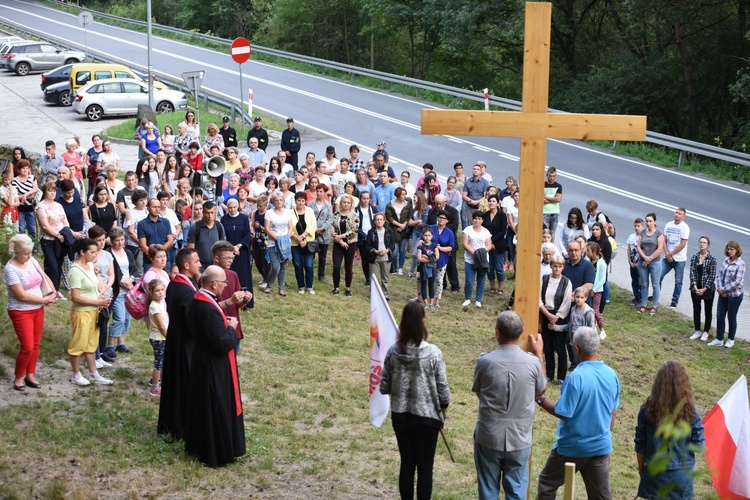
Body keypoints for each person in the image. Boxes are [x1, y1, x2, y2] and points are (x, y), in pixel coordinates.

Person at [536, 327, 620, 499]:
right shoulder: (612, 375)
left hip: (572, 448)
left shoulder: (576, 377)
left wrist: (539, 400)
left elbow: (564, 413)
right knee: (601, 496)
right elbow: (613, 413)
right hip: (600, 446)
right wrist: (603, 434)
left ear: (576, 349)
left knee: (547, 484)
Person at [379, 302, 451, 500]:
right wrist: (443, 409)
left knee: (407, 464)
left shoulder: (393, 353)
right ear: (423, 322)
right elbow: (443, 390)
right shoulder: (434, 354)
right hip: (428, 419)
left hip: (401, 417)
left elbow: (384, 386)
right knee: (425, 466)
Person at [473, 311, 546, 500]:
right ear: (521, 333)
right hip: (520, 437)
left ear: (497, 332)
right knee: (516, 491)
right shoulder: (532, 363)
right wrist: (539, 353)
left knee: (488, 490)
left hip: (489, 434)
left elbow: (480, 392)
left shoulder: (484, 361)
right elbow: (541, 389)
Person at [184, 266, 245, 467]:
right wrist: (231, 328)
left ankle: (201, 448)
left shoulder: (201, 300)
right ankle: (217, 452)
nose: (225, 286)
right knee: (215, 410)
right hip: (212, 368)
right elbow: (221, 344)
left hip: (203, 363)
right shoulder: (208, 308)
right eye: (223, 283)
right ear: (213, 284)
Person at [635, 361, 705, 500]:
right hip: (682, 477)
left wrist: (642, 470)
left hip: (655, 473)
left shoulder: (647, 410)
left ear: (658, 384)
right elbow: (699, 447)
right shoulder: (692, 412)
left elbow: (640, 445)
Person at [3, 234, 57, 391]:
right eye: (25, 254)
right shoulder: (10, 269)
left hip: (37, 309)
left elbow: (43, 276)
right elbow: (22, 296)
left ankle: (30, 374)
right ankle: (19, 377)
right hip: (20, 311)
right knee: (27, 346)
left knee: (35, 344)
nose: (29, 256)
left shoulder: (31, 260)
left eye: (30, 252)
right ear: (16, 252)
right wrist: (44, 301)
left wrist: (53, 292)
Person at [158, 248, 201, 440]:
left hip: (177, 338)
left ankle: (172, 423)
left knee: (175, 383)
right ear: (186, 265)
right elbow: (192, 320)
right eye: (197, 261)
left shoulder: (177, 284)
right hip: (185, 343)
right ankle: (181, 425)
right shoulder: (184, 290)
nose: (200, 264)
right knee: (183, 384)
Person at [68, 238, 114, 386]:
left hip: (94, 311)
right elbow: (75, 297)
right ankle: (76, 374)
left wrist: (101, 296)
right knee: (78, 344)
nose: (95, 255)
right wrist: (98, 302)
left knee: (91, 344)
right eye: (92, 252)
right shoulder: (75, 271)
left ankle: (94, 373)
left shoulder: (90, 265)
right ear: (82, 252)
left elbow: (97, 287)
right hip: (82, 313)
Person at [212, 241, 253, 349]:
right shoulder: (208, 278)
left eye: (232, 258)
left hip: (234, 328)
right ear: (216, 258)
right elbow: (209, 307)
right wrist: (231, 300)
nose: (231, 261)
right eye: (227, 258)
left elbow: (237, 305)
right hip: (217, 328)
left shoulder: (233, 275)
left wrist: (244, 301)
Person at [539, 255, 572, 384]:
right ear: (551, 266)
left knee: (560, 348)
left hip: (560, 316)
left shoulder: (566, 282)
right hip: (546, 313)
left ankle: (561, 376)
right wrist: (548, 315)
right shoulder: (545, 279)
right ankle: (549, 373)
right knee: (547, 347)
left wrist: (557, 316)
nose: (557, 269)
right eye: (555, 266)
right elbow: (539, 298)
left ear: (563, 267)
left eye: (559, 266)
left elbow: (567, 301)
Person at [105, 227, 137, 359]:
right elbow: (107, 273)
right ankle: (110, 345)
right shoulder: (108, 254)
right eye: (117, 240)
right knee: (119, 318)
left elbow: (134, 270)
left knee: (127, 319)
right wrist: (121, 282)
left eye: (122, 240)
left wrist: (130, 279)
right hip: (116, 291)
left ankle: (121, 343)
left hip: (128, 290)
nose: (120, 243)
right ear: (112, 241)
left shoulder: (128, 252)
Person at [35, 182, 70, 297]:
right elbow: (45, 225)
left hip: (61, 240)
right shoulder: (41, 206)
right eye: (50, 191)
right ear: (45, 192)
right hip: (48, 239)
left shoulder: (59, 205)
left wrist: (66, 233)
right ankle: (49, 290)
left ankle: (54, 289)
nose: (52, 193)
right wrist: (58, 235)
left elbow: (65, 221)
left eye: (54, 191)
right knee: (52, 265)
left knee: (58, 265)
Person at [708, 241, 745, 348]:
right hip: (722, 293)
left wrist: (724, 290)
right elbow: (719, 275)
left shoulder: (740, 264)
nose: (729, 251)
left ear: (737, 250)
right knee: (720, 316)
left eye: (732, 249)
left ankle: (731, 339)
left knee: (731, 317)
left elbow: (737, 281)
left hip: (734, 295)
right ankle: (719, 338)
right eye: (728, 249)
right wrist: (720, 288)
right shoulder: (725, 260)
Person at [221, 198, 253, 302]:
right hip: (228, 251)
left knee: (243, 275)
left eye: (234, 207)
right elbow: (223, 235)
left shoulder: (243, 218)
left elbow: (247, 234)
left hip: (242, 251)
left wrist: (238, 246)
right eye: (230, 208)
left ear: (238, 206)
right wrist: (231, 248)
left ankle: (245, 300)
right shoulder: (224, 219)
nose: (232, 210)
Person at [659, 208, 690, 307]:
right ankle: (656, 295)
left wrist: (671, 254)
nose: (677, 214)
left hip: (679, 259)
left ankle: (674, 301)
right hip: (667, 258)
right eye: (676, 212)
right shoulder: (668, 225)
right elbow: (664, 239)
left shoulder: (685, 227)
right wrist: (667, 252)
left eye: (679, 213)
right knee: (658, 275)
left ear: (683, 216)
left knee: (678, 281)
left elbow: (682, 244)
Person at [264, 192, 293, 296]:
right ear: (273, 202)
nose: (279, 202)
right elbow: (267, 229)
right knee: (275, 267)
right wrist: (277, 239)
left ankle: (281, 288)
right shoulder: (269, 213)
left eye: (280, 200)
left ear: (283, 201)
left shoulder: (287, 212)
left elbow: (290, 227)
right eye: (276, 200)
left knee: (283, 267)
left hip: (285, 243)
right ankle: (270, 285)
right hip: (273, 243)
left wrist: (286, 238)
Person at [688, 236, 717, 342]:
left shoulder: (712, 259)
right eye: (700, 242)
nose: (702, 244)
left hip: (708, 288)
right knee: (696, 309)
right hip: (695, 288)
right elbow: (692, 273)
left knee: (708, 310)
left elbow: (712, 275)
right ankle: (697, 330)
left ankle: (706, 331)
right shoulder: (694, 257)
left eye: (704, 242)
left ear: (708, 245)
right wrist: (695, 287)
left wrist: (704, 289)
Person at [330, 194, 360, 296]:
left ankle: (347, 288)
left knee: (348, 267)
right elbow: (332, 228)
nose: (346, 204)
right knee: (336, 266)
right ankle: (336, 288)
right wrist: (340, 240)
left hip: (350, 244)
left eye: (348, 202)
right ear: (341, 203)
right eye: (344, 202)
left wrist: (342, 236)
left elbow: (354, 230)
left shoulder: (354, 215)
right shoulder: (335, 215)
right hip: (338, 244)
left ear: (351, 204)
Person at [636, 213, 666, 316]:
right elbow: (639, 246)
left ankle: (654, 306)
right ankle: (643, 304)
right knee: (644, 284)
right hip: (642, 262)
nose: (648, 223)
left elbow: (660, 249)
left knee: (655, 284)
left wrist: (649, 259)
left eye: (650, 221)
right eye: (647, 221)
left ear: (655, 221)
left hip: (655, 263)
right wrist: (644, 257)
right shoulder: (643, 232)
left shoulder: (659, 233)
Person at [463, 211, 492, 309]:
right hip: (470, 259)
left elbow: (489, 245)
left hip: (483, 260)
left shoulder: (486, 231)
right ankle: (467, 298)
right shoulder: (467, 230)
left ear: (482, 220)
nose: (476, 220)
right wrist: (475, 253)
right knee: (469, 281)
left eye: (479, 219)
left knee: (481, 280)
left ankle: (478, 300)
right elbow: (465, 244)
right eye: (475, 218)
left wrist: (481, 252)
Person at [289, 191, 318, 294]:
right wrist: (297, 237)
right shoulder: (290, 212)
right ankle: (301, 286)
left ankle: (309, 286)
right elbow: (288, 227)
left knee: (309, 265)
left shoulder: (310, 211)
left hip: (308, 242)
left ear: (305, 201)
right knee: (297, 265)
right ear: (295, 201)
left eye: (302, 201)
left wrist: (303, 237)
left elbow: (313, 225)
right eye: (298, 200)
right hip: (294, 242)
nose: (300, 203)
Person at [138, 198, 175, 271]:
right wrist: (154, 256)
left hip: (164, 260)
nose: (157, 209)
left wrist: (161, 254)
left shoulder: (166, 222)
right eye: (154, 207)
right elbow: (143, 245)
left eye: (158, 207)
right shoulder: (142, 224)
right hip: (149, 262)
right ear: (148, 208)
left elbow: (170, 241)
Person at [146, 280, 168, 397]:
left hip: (162, 338)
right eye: (157, 291)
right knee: (158, 363)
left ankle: (161, 384)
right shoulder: (154, 306)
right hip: (159, 338)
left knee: (163, 362)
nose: (160, 293)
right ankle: (155, 387)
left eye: (162, 290)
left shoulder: (160, 303)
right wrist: (168, 337)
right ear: (151, 293)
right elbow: (161, 325)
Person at [187, 201, 225, 269]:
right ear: (203, 212)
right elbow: (190, 250)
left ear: (215, 212)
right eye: (207, 213)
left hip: (216, 266)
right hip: (200, 266)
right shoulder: (195, 227)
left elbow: (223, 248)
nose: (210, 216)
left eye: (212, 213)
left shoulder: (219, 226)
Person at [482, 195, 508, 296]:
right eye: (490, 201)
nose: (491, 203)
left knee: (499, 268)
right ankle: (492, 287)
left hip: (499, 245)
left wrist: (492, 241)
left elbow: (503, 231)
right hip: (487, 245)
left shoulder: (502, 215)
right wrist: (488, 243)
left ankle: (500, 288)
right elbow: (483, 230)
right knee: (489, 267)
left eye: (493, 201)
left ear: (498, 203)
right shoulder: (485, 215)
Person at [430, 210, 455, 308]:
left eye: (443, 218)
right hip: (429, 257)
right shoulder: (431, 228)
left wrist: (440, 248)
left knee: (439, 280)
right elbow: (423, 239)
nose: (441, 219)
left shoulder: (449, 232)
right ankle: (423, 297)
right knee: (424, 278)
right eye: (440, 217)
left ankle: (437, 301)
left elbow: (451, 247)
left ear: (447, 220)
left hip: (442, 258)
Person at [366, 212, 394, 300]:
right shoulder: (371, 232)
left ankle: (385, 295)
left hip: (386, 258)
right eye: (377, 220)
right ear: (374, 221)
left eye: (381, 220)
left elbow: (393, 245)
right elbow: (368, 246)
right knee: (373, 278)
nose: (379, 221)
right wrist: (375, 251)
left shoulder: (389, 232)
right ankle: (373, 294)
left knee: (385, 277)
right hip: (374, 259)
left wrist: (387, 250)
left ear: (384, 221)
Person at [385, 187, 412, 276]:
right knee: (395, 251)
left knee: (402, 250)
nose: (404, 196)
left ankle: (400, 267)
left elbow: (409, 215)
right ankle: (395, 267)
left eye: (405, 194)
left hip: (404, 230)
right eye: (402, 194)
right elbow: (389, 217)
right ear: (398, 195)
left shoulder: (407, 204)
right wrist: (399, 225)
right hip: (394, 229)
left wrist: (404, 225)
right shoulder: (390, 205)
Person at [309, 184, 333, 283]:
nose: (319, 193)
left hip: (324, 234)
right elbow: (309, 217)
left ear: (324, 193)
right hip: (312, 233)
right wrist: (314, 228)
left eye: (321, 191)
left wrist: (322, 228)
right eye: (317, 191)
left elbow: (329, 218)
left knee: (322, 256)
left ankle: (321, 275)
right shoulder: (310, 204)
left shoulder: (328, 205)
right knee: (311, 254)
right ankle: (309, 273)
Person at [12, 160, 38, 242]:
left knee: (32, 228)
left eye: (27, 168)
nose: (25, 170)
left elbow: (35, 189)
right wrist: (27, 196)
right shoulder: (15, 181)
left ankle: (34, 247)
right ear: (19, 170)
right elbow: (15, 195)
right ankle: (22, 246)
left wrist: (24, 195)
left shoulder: (32, 177)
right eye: (23, 168)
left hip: (31, 207)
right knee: (21, 228)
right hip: (20, 208)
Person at [356, 191, 377, 285]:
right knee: (365, 258)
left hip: (372, 235)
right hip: (362, 237)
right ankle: (367, 278)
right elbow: (355, 225)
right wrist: (363, 235)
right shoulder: (356, 210)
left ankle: (374, 277)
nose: (366, 200)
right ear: (360, 199)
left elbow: (378, 220)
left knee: (373, 257)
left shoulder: (373, 209)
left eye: (367, 198)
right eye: (364, 198)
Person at [416, 227, 439, 309]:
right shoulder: (420, 246)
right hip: (423, 268)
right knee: (423, 284)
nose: (427, 237)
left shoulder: (434, 245)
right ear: (422, 236)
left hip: (432, 268)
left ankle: (431, 303)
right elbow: (419, 258)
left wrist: (425, 256)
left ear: (432, 236)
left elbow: (436, 257)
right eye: (425, 235)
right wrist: (430, 258)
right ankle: (425, 303)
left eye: (429, 235)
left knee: (431, 284)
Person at [462, 164, 489, 230]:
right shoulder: (467, 182)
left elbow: (486, 196)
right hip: (470, 207)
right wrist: (471, 201)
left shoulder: (485, 182)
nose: (475, 171)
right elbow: (464, 195)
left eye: (477, 169)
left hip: (480, 207)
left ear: (480, 171)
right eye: (474, 169)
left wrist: (477, 202)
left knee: (480, 224)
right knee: (470, 224)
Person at [250, 195, 269, 286]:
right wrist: (253, 232)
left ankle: (267, 279)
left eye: (260, 206)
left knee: (265, 258)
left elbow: (268, 228)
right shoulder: (255, 213)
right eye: (258, 205)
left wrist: (260, 227)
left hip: (265, 238)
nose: (259, 208)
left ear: (266, 205)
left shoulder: (268, 214)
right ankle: (263, 275)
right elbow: (252, 225)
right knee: (257, 259)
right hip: (256, 238)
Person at [626, 218, 644, 306]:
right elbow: (629, 249)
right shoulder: (631, 237)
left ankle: (641, 298)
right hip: (632, 264)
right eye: (635, 226)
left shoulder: (643, 237)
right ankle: (636, 296)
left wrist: (639, 263)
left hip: (640, 264)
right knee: (634, 280)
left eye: (638, 226)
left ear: (642, 226)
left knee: (640, 281)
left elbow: (644, 252)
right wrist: (630, 261)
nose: (636, 228)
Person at [543, 166, 563, 237]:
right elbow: (541, 200)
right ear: (547, 175)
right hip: (545, 212)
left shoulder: (558, 186)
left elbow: (558, 199)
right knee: (544, 233)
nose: (551, 178)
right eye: (550, 176)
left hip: (554, 212)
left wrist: (546, 197)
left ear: (556, 175)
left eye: (553, 176)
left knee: (552, 233)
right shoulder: (543, 185)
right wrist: (553, 199)